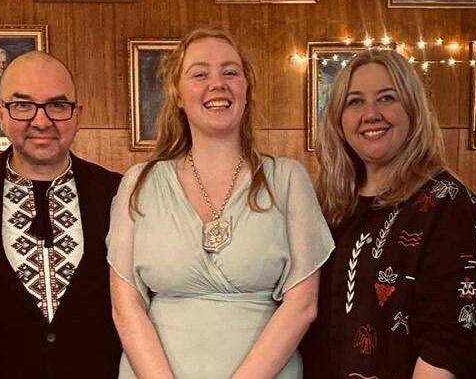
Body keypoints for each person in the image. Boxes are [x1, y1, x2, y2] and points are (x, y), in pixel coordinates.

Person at [108, 28, 333, 378]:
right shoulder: (139, 183)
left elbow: (302, 306)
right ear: (178, 95)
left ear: (246, 89)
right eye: (200, 74)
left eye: (230, 72)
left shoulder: (288, 179)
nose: (217, 84)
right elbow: (126, 308)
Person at [0, 51, 122, 379]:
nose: (41, 121)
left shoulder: (117, 193)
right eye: (22, 105)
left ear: (77, 114)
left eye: (57, 105)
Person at [303, 49, 476, 379]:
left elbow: (449, 339)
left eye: (387, 98)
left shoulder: (448, 202)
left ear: (413, 109)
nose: (370, 114)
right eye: (355, 101)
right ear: (338, 120)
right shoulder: (328, 203)